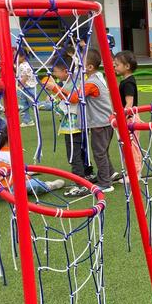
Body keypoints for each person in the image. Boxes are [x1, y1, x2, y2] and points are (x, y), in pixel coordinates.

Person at [46, 49, 119, 196]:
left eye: (81, 61)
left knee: (99, 152)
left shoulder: (91, 82)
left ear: (90, 67)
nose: (77, 63)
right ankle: (109, 174)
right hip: (104, 121)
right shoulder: (96, 77)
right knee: (102, 151)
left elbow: (74, 98)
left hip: (101, 123)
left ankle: (105, 183)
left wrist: (55, 88)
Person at [46, 54, 93, 197]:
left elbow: (70, 101)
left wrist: (54, 91)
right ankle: (87, 176)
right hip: (80, 123)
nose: (55, 74)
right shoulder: (75, 81)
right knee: (81, 151)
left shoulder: (72, 83)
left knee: (74, 154)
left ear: (65, 71)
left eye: (56, 72)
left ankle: (81, 184)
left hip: (73, 126)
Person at [0, 125, 65, 194]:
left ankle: (28, 171)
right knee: (34, 184)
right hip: (9, 186)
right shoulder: (7, 153)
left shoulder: (1, 151)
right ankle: (48, 185)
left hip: (2, 183)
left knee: (23, 173)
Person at [114, 51, 142, 177]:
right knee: (128, 146)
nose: (115, 67)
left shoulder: (128, 82)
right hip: (128, 117)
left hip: (130, 118)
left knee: (132, 147)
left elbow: (129, 103)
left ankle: (135, 174)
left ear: (127, 66)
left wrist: (123, 118)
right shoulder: (126, 81)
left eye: (117, 64)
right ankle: (132, 172)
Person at [16, 50, 37, 127]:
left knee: (35, 105)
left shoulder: (24, 65)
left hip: (28, 88)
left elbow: (25, 77)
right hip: (26, 88)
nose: (15, 58)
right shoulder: (23, 65)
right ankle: (27, 121)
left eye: (16, 56)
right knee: (23, 105)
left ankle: (52, 106)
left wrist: (18, 86)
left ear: (23, 57)